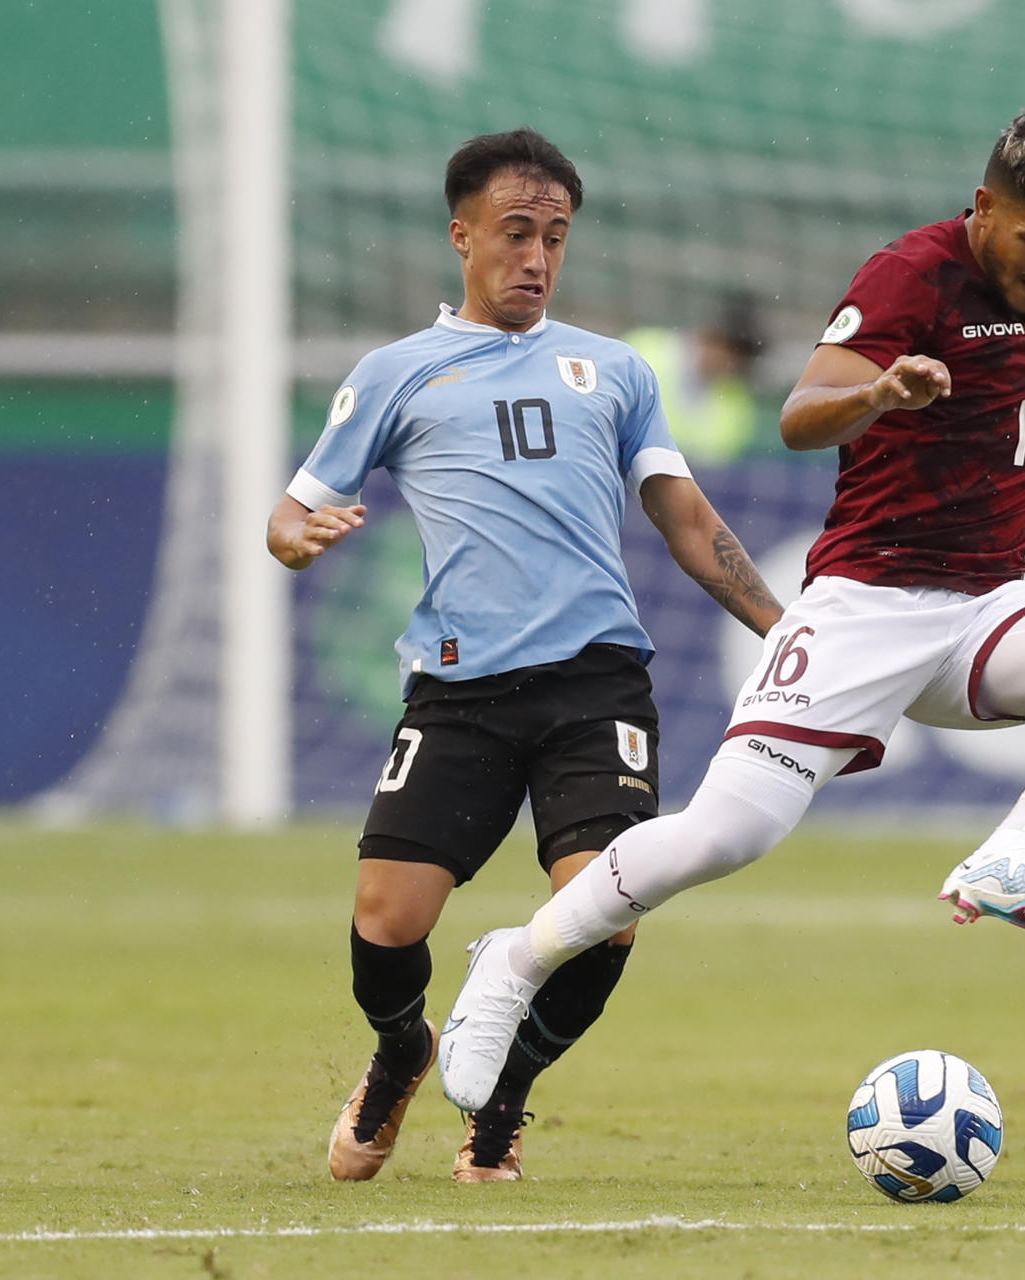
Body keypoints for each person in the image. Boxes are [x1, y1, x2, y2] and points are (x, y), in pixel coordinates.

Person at [437, 110, 1025, 1113]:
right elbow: (802, 413)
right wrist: (884, 390)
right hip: (866, 606)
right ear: (984, 211)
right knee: (723, 836)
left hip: (988, 611)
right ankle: (513, 957)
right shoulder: (910, 277)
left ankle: (1015, 847)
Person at [266, 127, 782, 1182]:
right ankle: (404, 1047)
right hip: (459, 687)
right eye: (515, 233)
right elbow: (290, 512)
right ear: (462, 237)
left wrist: (791, 633)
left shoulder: (619, 371)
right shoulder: (397, 372)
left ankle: (502, 1100)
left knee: (604, 915)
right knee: (385, 916)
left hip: (597, 681)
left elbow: (687, 519)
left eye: (554, 236)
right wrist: (296, 539)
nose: (537, 256)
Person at [624, 294, 765, 464]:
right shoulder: (644, 349)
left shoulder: (736, 400)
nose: (730, 362)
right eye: (729, 349)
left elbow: (716, 462)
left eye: (740, 357)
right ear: (710, 335)